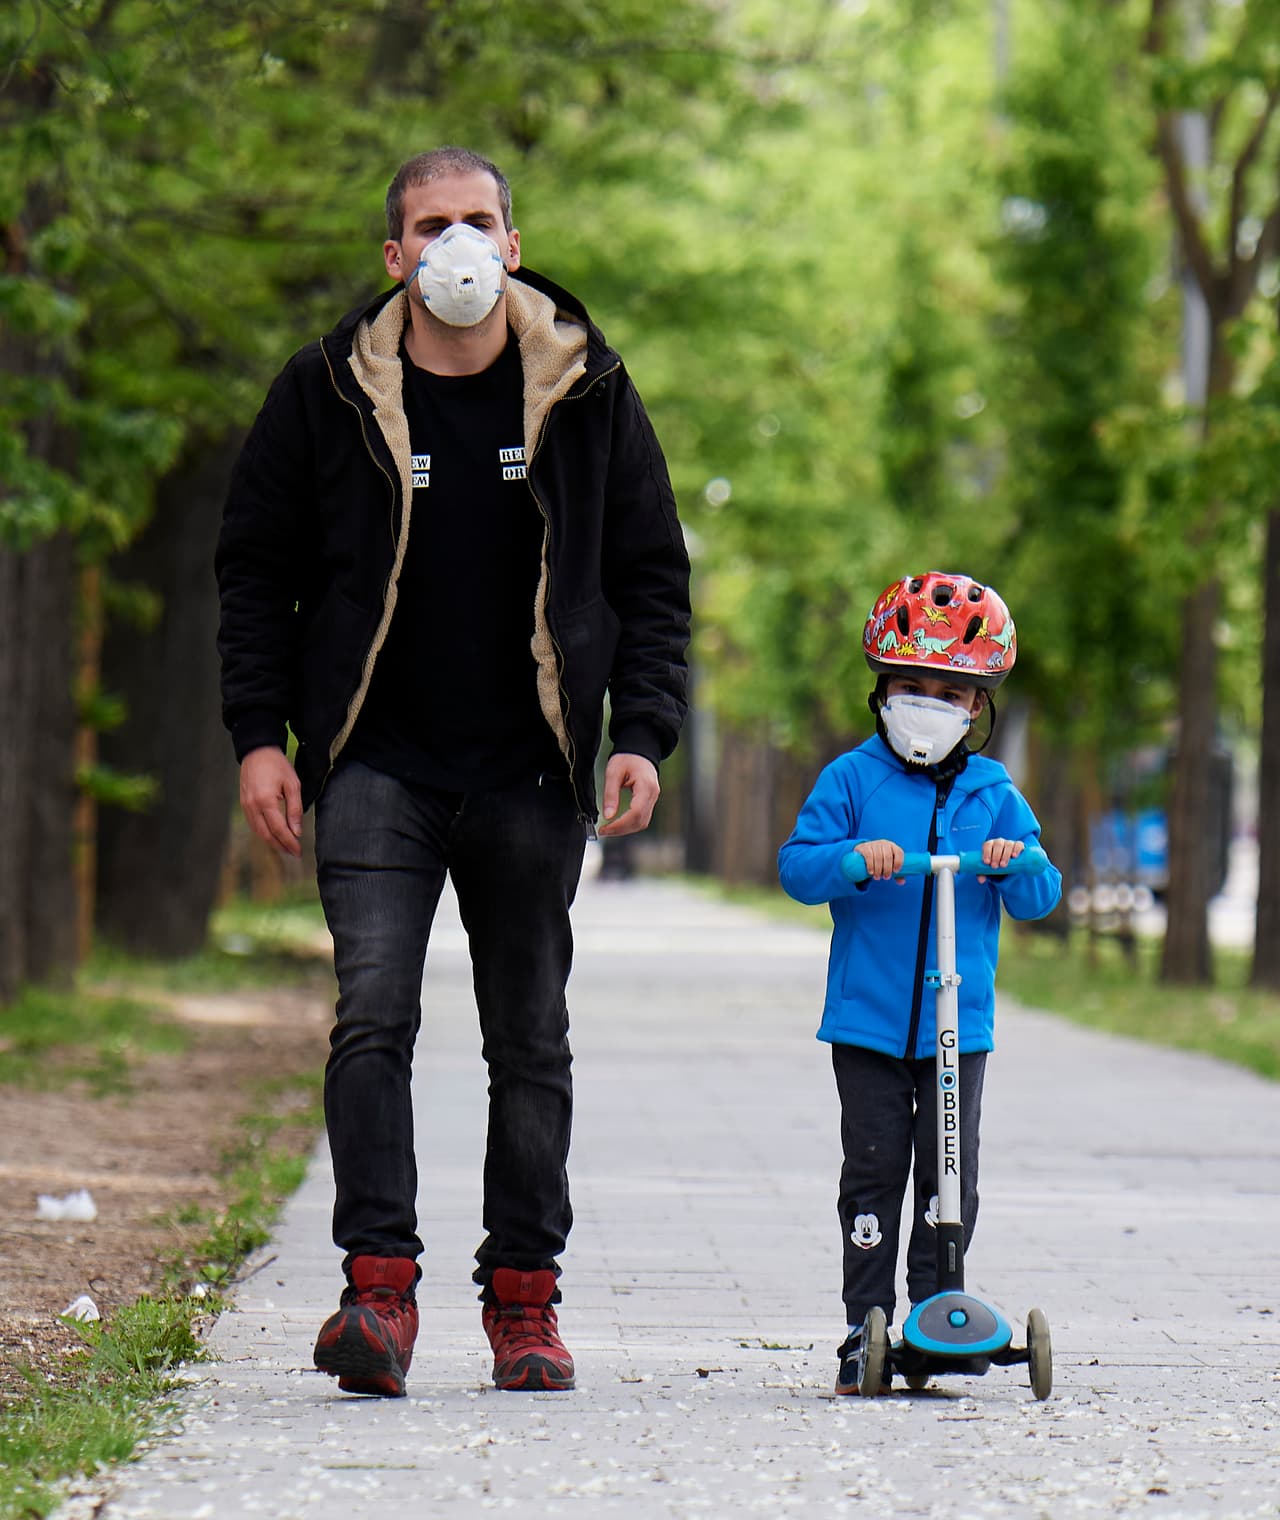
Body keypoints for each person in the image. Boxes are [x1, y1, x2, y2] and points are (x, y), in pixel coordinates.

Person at [215, 146, 690, 1397]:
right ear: (394, 257)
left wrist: (639, 731)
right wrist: (260, 735)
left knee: (527, 1036)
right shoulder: (323, 391)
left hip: (530, 768)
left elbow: (649, 573)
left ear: (514, 244)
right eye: (430, 226)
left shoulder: (588, 391)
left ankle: (523, 1306)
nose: (455, 246)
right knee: (373, 1014)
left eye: (478, 221)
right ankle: (378, 1294)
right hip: (375, 758)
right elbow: (255, 569)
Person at [777, 571, 1060, 1395]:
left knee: (950, 1172)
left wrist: (1017, 864)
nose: (926, 703)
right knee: (872, 1169)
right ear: (881, 690)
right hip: (868, 1025)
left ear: (976, 705)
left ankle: (939, 1310)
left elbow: (1042, 894)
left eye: (948, 691)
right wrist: (850, 863)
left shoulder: (992, 792)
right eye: (909, 686)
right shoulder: (852, 780)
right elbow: (799, 870)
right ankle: (863, 1321)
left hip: (956, 1025)